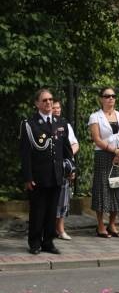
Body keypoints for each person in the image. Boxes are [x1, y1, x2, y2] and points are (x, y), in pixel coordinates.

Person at [20, 89, 74, 255]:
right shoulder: (30, 124)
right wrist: (28, 177)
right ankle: (35, 243)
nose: (49, 103)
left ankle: (48, 242)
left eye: (50, 100)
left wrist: (71, 168)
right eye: (44, 100)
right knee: (38, 211)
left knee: (52, 212)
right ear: (37, 103)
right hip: (38, 176)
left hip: (56, 174)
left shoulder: (61, 123)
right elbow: (25, 153)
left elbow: (67, 149)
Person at [88, 87, 119, 238]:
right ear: (101, 99)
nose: (110, 98)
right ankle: (100, 225)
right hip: (103, 155)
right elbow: (97, 139)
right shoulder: (95, 117)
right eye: (107, 96)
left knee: (117, 187)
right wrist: (114, 151)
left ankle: (112, 223)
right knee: (102, 189)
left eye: (113, 96)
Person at [52, 100, 79, 241]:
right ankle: (49, 229)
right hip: (49, 168)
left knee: (63, 200)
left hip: (63, 167)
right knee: (51, 200)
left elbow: (74, 144)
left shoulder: (65, 125)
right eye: (54, 108)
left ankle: (61, 229)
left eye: (58, 107)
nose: (56, 110)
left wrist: (68, 163)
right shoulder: (44, 124)